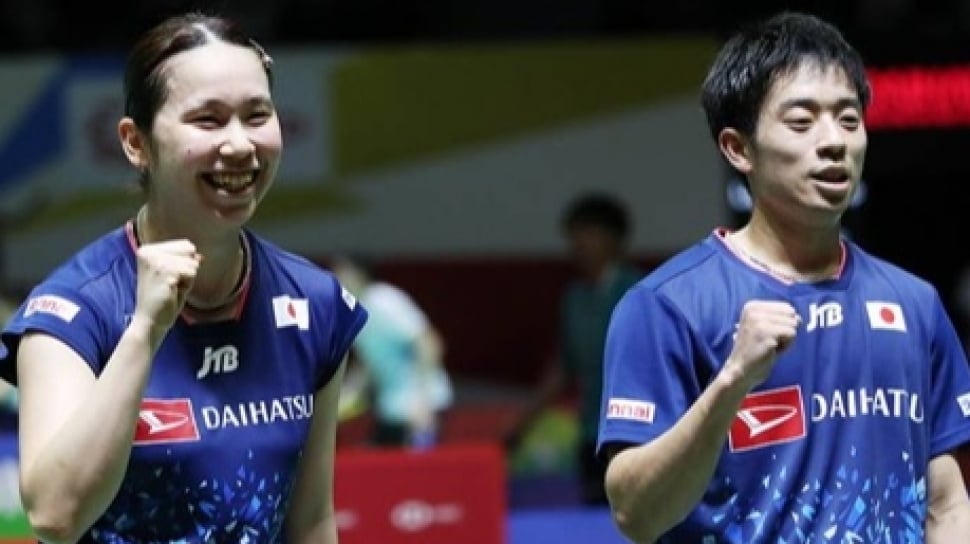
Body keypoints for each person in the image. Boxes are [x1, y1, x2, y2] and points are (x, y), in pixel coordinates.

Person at [597, 11, 970, 544]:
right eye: (802, 122)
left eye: (849, 120)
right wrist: (731, 382)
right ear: (738, 148)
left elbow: (947, 504)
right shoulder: (667, 306)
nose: (834, 141)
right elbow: (637, 516)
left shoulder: (915, 305)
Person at [0, 12, 367, 544]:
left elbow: (310, 520)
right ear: (136, 143)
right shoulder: (74, 311)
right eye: (208, 120)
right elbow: (55, 515)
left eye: (257, 115)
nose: (240, 145)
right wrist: (144, 333)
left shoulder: (314, 304)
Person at [504, 192, 641, 506]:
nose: (579, 244)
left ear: (614, 239)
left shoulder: (640, 292)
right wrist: (522, 423)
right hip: (591, 437)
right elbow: (564, 368)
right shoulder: (573, 299)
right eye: (574, 235)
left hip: (636, 439)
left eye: (589, 234)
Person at [331, 255, 452, 449]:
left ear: (359, 274)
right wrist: (341, 401)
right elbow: (369, 365)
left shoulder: (384, 300)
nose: (335, 279)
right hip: (391, 411)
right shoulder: (354, 312)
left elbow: (428, 342)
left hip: (419, 411)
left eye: (341, 272)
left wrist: (423, 402)